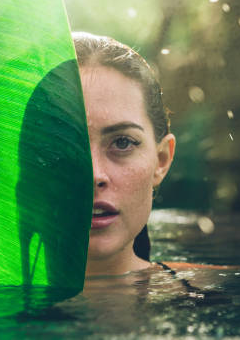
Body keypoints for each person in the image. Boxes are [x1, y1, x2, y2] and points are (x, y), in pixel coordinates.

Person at [72, 32, 177, 276]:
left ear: (161, 161)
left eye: (122, 143)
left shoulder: (220, 292)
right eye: (68, 145)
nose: (94, 175)